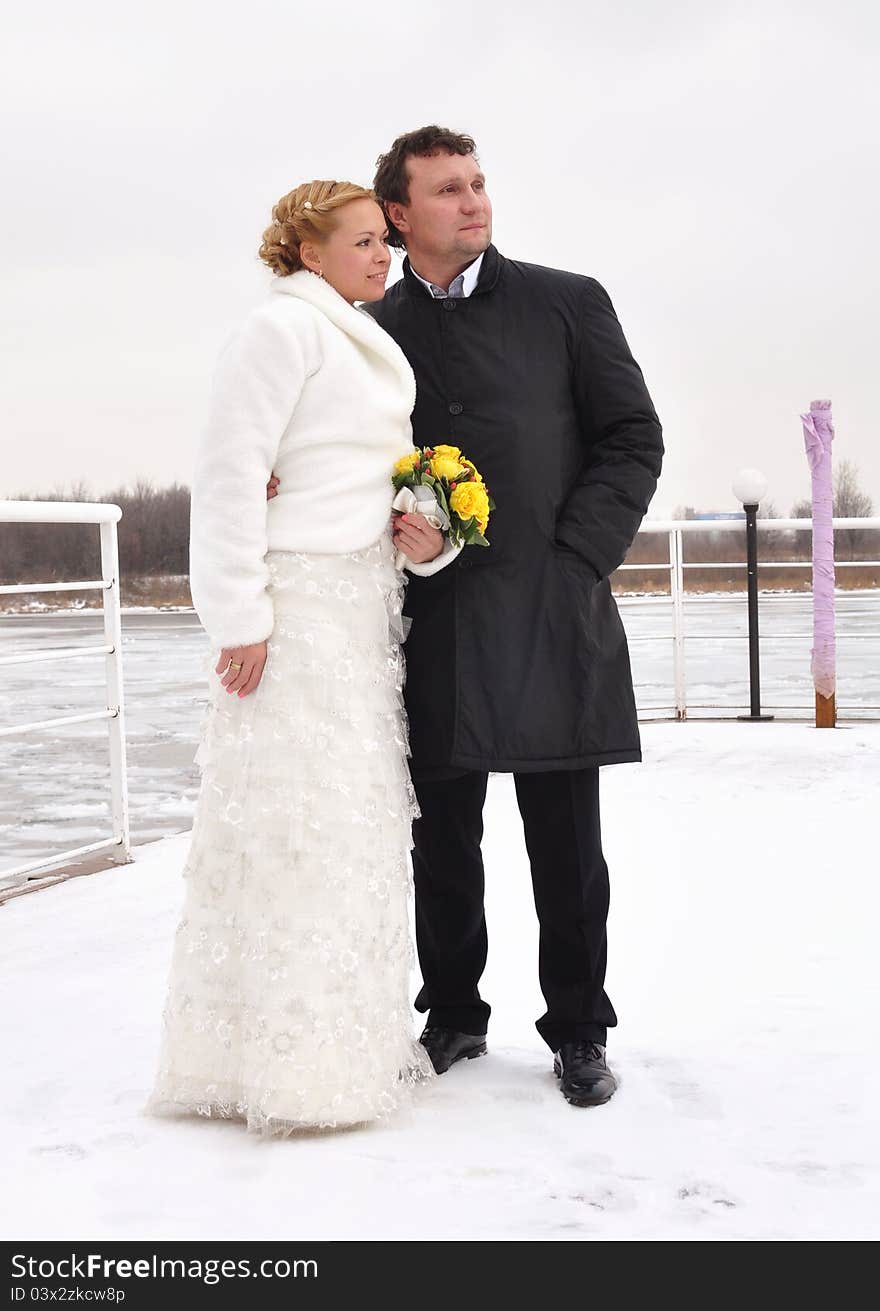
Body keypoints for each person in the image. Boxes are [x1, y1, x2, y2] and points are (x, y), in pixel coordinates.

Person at [365, 126, 664, 1107]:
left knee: (567, 844)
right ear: (401, 215)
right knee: (440, 837)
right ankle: (451, 1012)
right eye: (448, 190)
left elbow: (631, 437)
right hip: (432, 616)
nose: (474, 201)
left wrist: (578, 556)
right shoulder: (372, 326)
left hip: (551, 611)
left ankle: (580, 1029)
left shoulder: (566, 303)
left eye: (478, 183)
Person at [148, 179, 454, 1134]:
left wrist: (430, 535)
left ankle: (342, 1045)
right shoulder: (279, 331)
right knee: (294, 821)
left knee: (351, 827)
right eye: (364, 242)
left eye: (384, 242)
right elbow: (233, 470)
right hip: (297, 610)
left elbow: (372, 470)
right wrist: (238, 615)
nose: (384, 257)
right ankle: (277, 1063)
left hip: (364, 609)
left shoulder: (361, 337)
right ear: (310, 252)